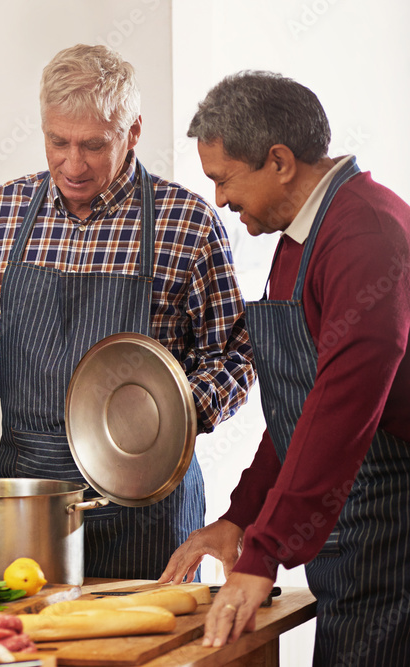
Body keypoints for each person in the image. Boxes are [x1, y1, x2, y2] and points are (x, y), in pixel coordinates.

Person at [0, 44, 254, 580]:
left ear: (133, 131)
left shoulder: (186, 225)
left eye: (94, 145)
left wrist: (170, 419)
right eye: (59, 142)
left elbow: (233, 354)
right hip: (29, 502)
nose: (73, 165)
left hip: (148, 503)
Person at [160, 71, 410, 663]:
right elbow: (301, 405)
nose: (220, 200)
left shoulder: (364, 235)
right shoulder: (297, 239)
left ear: (278, 161)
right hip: (349, 529)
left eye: (223, 179)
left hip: (391, 530)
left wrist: (264, 552)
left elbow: (341, 411)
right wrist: (242, 517)